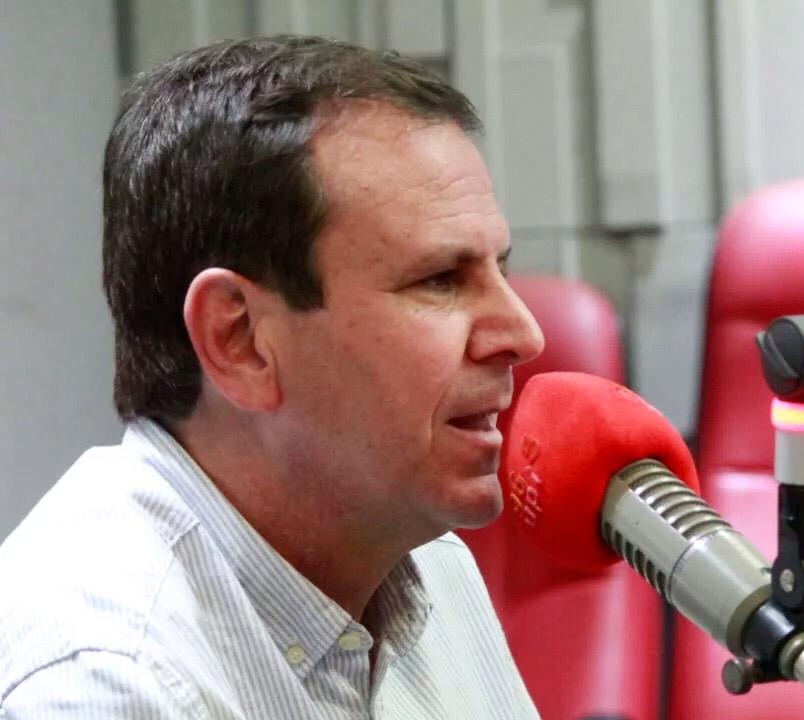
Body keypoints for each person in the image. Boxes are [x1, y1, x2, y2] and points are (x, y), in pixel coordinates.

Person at [0, 35, 544, 719]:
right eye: (439, 279)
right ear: (240, 341)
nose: (524, 334)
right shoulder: (105, 681)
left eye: (500, 269)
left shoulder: (430, 564)